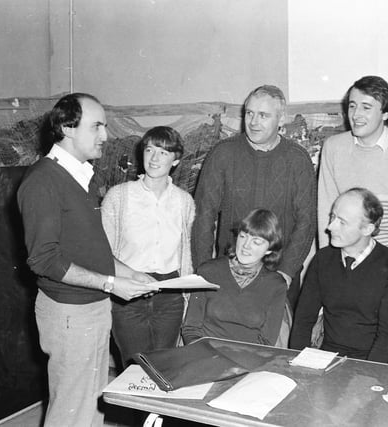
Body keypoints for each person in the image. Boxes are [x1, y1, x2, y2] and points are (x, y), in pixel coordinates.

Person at [17, 93, 158, 426]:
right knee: (71, 411)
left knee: (92, 406)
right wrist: (112, 283)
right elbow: (45, 260)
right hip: (69, 314)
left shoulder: (84, 177)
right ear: (67, 127)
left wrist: (131, 273)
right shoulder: (42, 182)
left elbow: (92, 249)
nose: (105, 136)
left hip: (94, 306)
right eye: (96, 126)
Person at [192, 85, 316, 308]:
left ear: (281, 119)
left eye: (263, 115)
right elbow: (204, 216)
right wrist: (204, 271)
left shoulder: (297, 159)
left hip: (278, 277)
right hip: (228, 274)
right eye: (249, 113)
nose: (253, 122)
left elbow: (306, 222)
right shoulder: (223, 153)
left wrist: (286, 272)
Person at [318, 76, 388, 285]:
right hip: (347, 257)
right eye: (352, 106)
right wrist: (328, 266)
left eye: (366, 107)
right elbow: (326, 214)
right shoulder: (333, 147)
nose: (356, 115)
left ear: (385, 113)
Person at [101, 126, 195, 368]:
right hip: (128, 294)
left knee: (164, 368)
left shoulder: (184, 201)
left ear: (175, 160)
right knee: (134, 369)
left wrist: (185, 296)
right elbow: (102, 252)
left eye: (163, 153)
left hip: (169, 295)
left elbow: (185, 254)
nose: (154, 158)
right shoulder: (118, 196)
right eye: (150, 150)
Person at [290, 188, 388, 362]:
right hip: (325, 356)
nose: (330, 227)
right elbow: (303, 320)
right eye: (332, 217)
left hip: (371, 362)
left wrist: (367, 375)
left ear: (367, 229)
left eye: (342, 222)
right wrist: (299, 362)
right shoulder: (323, 260)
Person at [182, 209, 287, 346]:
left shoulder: (275, 285)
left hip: (248, 360)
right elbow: (191, 329)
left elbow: (267, 341)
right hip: (205, 355)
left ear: (270, 249)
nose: (245, 246)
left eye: (256, 242)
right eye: (243, 236)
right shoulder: (208, 271)